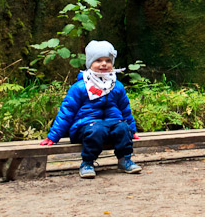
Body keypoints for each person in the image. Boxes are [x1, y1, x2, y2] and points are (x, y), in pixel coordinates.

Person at [39, 40, 142, 178]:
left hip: (112, 124)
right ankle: (87, 163)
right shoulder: (81, 87)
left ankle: (125, 160)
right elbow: (66, 112)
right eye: (98, 60)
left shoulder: (116, 85)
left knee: (123, 128)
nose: (104, 64)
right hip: (85, 126)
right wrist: (53, 136)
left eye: (107, 60)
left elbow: (125, 109)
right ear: (90, 63)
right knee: (96, 129)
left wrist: (132, 129)